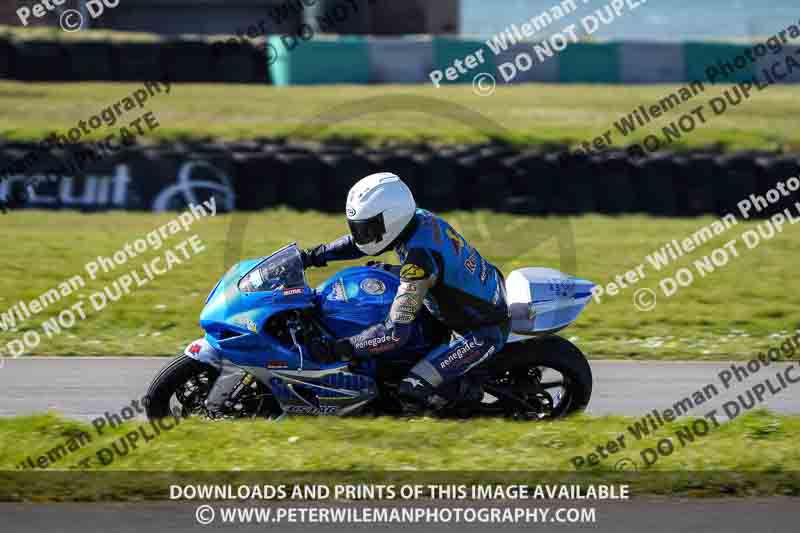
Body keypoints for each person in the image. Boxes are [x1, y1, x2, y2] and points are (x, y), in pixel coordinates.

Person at [301, 172, 510, 409]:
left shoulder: (418, 262)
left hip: (480, 331)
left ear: (391, 219)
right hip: (456, 298)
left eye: (367, 229)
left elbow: (394, 334)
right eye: (359, 228)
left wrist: (341, 349)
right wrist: (311, 257)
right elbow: (359, 245)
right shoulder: (417, 218)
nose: (362, 235)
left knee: (411, 389)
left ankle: (470, 400)